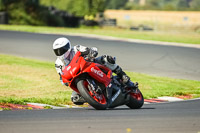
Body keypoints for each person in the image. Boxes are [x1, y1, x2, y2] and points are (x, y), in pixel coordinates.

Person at [53, 37, 131, 105]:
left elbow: (87, 50)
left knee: (106, 59)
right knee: (75, 99)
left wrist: (91, 52)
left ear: (68, 47)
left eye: (62, 50)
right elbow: (61, 76)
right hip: (76, 76)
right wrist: (64, 81)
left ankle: (123, 75)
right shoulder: (58, 63)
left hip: (89, 65)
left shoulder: (76, 48)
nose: (60, 53)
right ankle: (92, 98)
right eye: (57, 51)